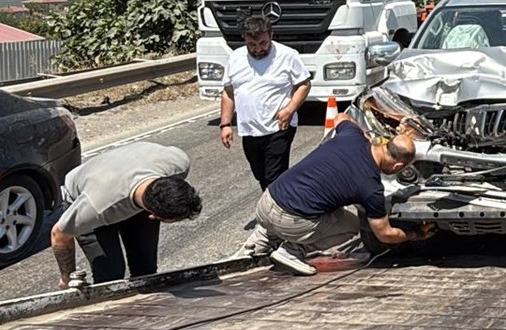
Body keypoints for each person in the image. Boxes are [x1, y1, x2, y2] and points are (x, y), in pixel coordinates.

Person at [242, 114, 428, 275]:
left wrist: (364, 134)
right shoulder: (371, 188)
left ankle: (262, 239)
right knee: (352, 225)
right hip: (289, 220)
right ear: (398, 166)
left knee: (320, 202)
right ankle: (293, 250)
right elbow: (385, 234)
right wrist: (414, 235)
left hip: (266, 203)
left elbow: (340, 117)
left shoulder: (352, 136)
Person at [50, 142, 202, 287]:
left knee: (145, 269)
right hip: (92, 189)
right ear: (154, 216)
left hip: (126, 170)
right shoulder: (95, 207)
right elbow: (59, 235)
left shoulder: (178, 164)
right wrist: (67, 277)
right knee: (111, 274)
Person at [220, 14, 311, 191]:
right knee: (260, 175)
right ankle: (277, 204)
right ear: (244, 38)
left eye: (263, 43)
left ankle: (275, 214)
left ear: (271, 35)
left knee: (273, 177)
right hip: (250, 130)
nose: (258, 49)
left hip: (279, 126)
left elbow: (304, 85)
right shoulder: (236, 58)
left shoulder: (287, 55)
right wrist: (225, 124)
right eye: (252, 45)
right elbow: (228, 93)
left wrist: (290, 110)